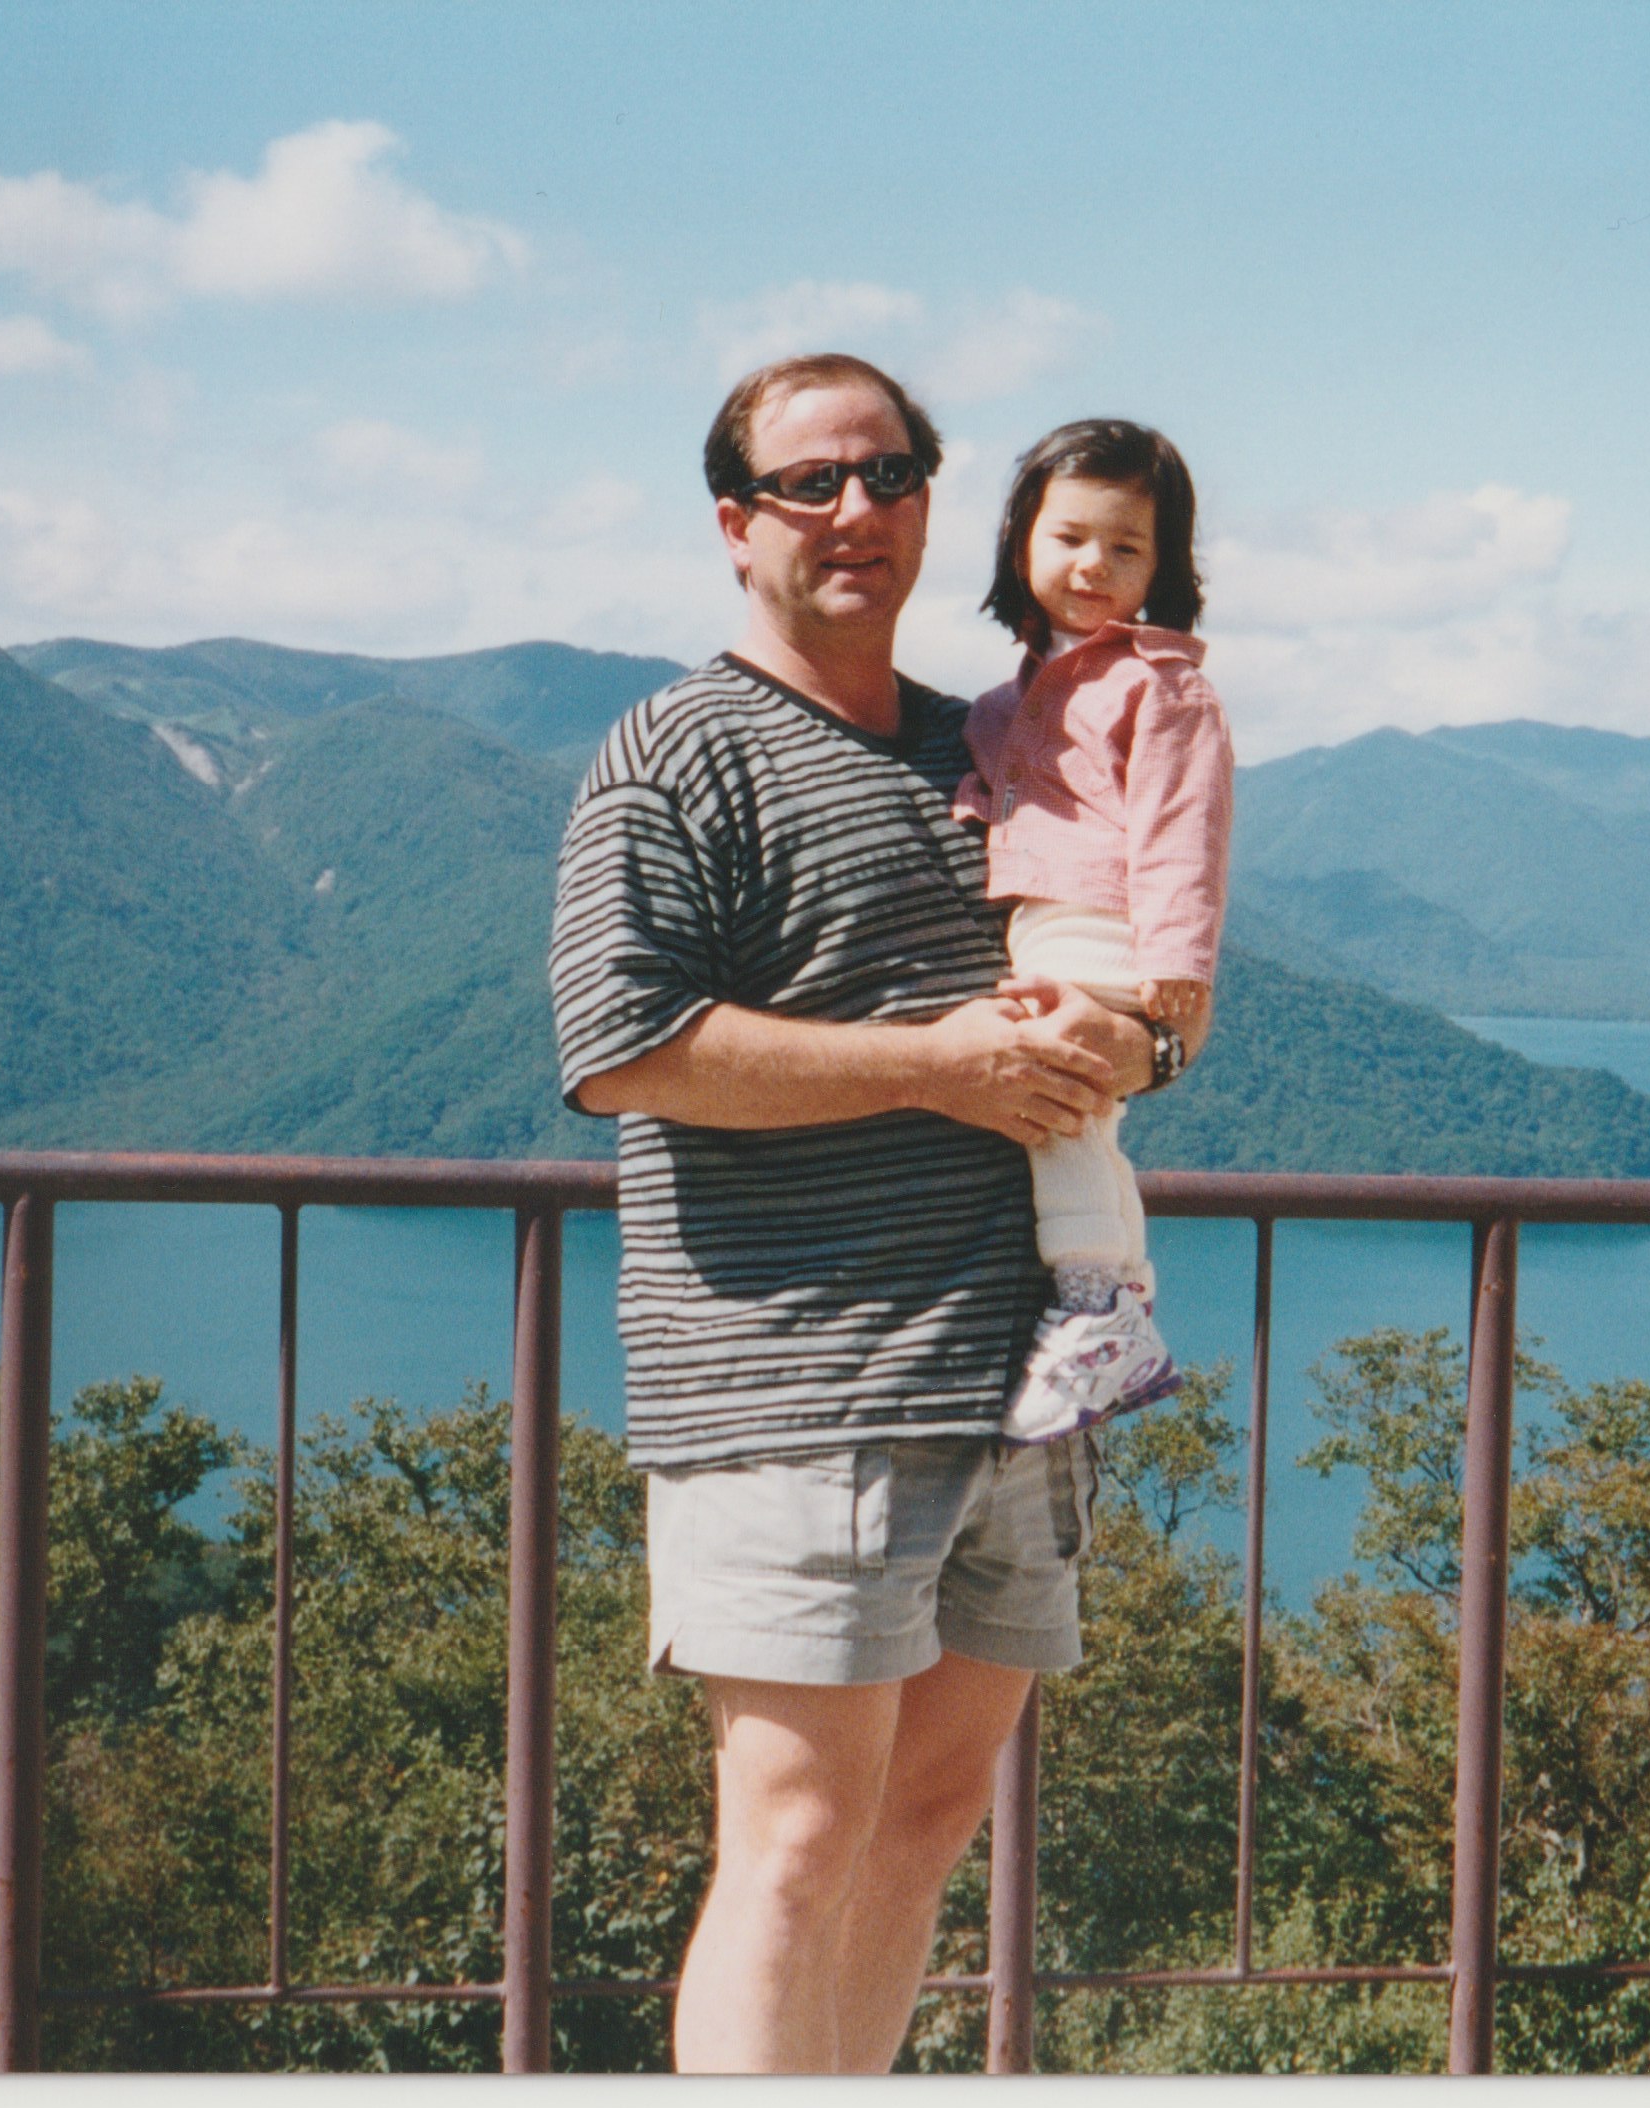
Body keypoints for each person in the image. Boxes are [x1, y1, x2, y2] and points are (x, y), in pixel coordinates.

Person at [545, 353, 1194, 2073]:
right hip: (799, 1384)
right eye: (813, 481)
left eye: (892, 474)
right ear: (734, 523)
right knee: (797, 1838)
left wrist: (1140, 1040)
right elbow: (623, 1048)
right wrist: (934, 1069)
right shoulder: (678, 751)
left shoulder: (997, 736)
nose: (858, 510)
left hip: (1018, 1379)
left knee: (922, 1826)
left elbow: (1135, 979)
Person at [956, 420, 1231, 1443]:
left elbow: (1182, 826)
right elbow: (1003, 787)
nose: (1093, 565)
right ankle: (1124, 1303)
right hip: (1042, 923)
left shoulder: (1161, 684)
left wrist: (1177, 958)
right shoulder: (1004, 700)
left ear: (1163, 566)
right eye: (1070, 537)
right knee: (1087, 1117)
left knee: (1053, 1091)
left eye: (1126, 547)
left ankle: (1088, 1303)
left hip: (1104, 923)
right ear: (1020, 541)